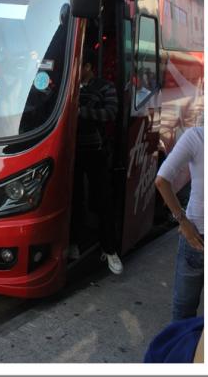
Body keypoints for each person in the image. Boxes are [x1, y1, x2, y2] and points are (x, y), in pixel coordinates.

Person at [71, 47, 123, 275]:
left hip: (96, 152)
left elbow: (111, 113)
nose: (75, 70)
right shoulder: (69, 86)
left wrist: (80, 111)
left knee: (103, 201)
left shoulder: (105, 87)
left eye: (79, 66)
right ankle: (74, 243)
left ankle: (110, 250)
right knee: (74, 200)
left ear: (88, 67)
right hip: (72, 152)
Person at [155, 125, 204, 320]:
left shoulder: (197, 136)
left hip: (196, 235)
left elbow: (161, 180)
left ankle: (182, 341)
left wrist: (182, 221)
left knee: (183, 310)